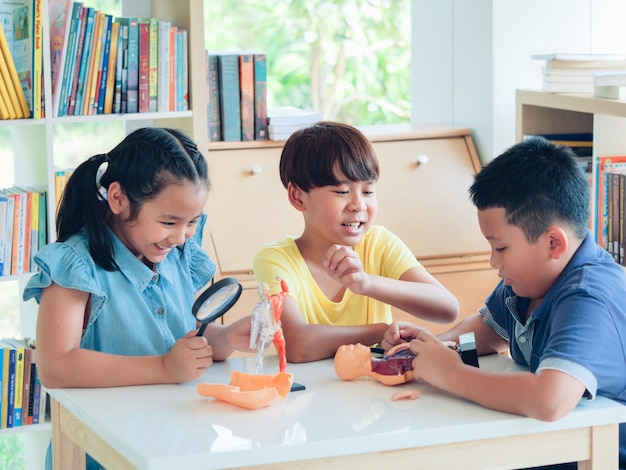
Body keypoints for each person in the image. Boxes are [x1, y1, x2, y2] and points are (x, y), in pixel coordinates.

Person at [381, 136, 626, 469]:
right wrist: (434, 348)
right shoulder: (525, 283)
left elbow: (549, 400)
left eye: (500, 248)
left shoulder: (589, 295)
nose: (493, 262)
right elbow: (486, 333)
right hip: (546, 443)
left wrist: (450, 373)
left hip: (599, 453)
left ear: (553, 242)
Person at [23, 128, 253, 469]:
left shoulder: (176, 254)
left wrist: (227, 337)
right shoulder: (75, 266)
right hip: (98, 452)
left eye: (191, 222)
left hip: (176, 445)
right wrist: (163, 368)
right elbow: (56, 366)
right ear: (118, 199)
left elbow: (187, 338)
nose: (180, 236)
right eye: (168, 222)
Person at [252, 121, 459, 363]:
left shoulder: (379, 244)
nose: (358, 205)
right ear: (298, 196)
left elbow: (447, 309)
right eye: (341, 192)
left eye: (368, 191)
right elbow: (298, 345)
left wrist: (367, 283)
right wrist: (381, 331)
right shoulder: (275, 261)